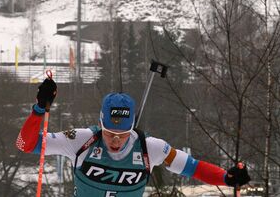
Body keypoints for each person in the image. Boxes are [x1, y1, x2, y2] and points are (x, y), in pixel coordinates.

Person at [16, 78, 250, 196]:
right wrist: (39, 109)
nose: (116, 141)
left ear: (133, 128)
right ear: (100, 125)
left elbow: (192, 167)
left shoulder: (151, 148)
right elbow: (24, 144)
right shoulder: (81, 140)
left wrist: (227, 178)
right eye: (109, 134)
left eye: (123, 135)